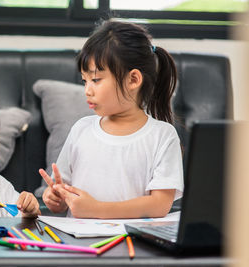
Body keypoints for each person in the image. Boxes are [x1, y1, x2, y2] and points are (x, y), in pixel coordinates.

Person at [39, 19, 184, 219]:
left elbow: (159, 205)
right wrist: (56, 198)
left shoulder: (162, 135)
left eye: (96, 80)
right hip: (79, 244)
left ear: (133, 79)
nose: (87, 90)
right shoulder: (81, 129)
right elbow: (65, 196)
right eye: (85, 80)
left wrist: (96, 209)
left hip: (131, 244)